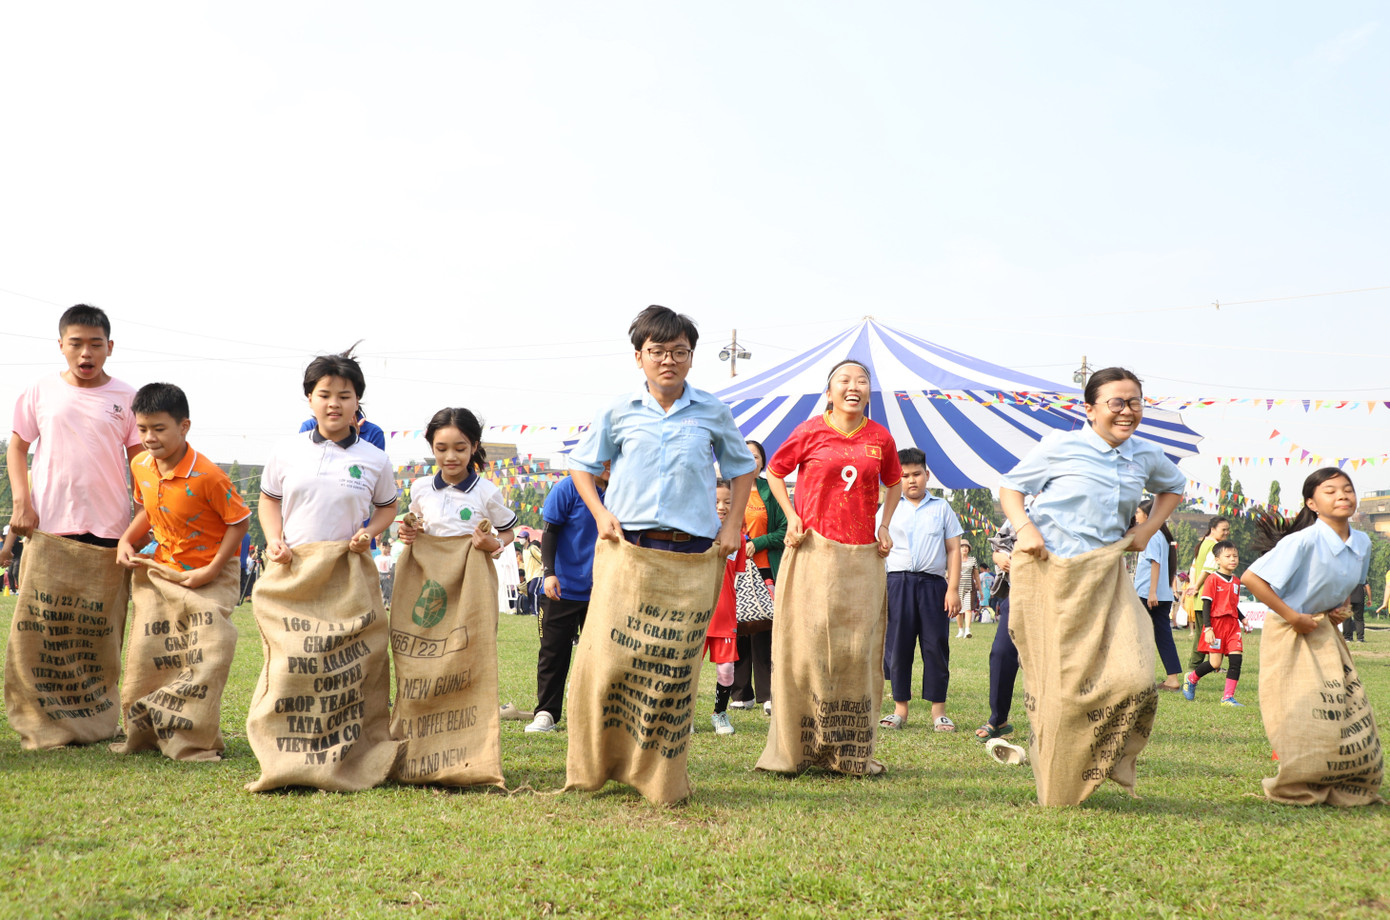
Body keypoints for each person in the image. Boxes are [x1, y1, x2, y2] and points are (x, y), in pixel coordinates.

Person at [568, 304, 756, 559]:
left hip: (695, 546)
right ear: (638, 357)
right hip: (627, 543)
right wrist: (600, 514)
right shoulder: (617, 411)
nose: (668, 360)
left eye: (679, 352)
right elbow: (580, 464)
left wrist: (733, 524)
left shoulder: (714, 411)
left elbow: (743, 467)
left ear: (691, 358)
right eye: (657, 351)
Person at [1242, 468, 1374, 803]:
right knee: (1299, 703)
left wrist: (1340, 606)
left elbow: (1353, 581)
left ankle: (1344, 776)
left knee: (1340, 702)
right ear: (1312, 503)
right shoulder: (1302, 541)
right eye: (1330, 491)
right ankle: (1299, 777)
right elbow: (1252, 579)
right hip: (1290, 629)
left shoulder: (1362, 542)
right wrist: (1293, 617)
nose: (1342, 495)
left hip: (1324, 630)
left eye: (1347, 489)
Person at [7, 304, 142, 548]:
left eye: (96, 344)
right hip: (48, 524)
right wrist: (21, 504)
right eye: (76, 343)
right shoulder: (40, 389)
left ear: (110, 347)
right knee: (43, 589)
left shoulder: (128, 397)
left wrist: (142, 521)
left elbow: (141, 466)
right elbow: (17, 449)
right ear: (61, 345)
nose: (86, 353)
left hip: (110, 528)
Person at [259, 346, 399, 564]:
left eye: (344, 396)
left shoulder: (376, 459)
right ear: (310, 398)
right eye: (324, 395)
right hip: (291, 563)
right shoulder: (285, 450)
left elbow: (388, 506)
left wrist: (369, 532)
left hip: (348, 567)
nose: (334, 403)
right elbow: (269, 498)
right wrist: (274, 539)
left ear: (356, 401)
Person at [116, 383, 251, 586]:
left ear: (184, 426)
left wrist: (211, 571)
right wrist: (125, 540)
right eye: (142, 429)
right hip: (163, 570)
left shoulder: (209, 476)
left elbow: (239, 523)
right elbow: (149, 511)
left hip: (209, 577)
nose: (149, 438)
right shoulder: (139, 465)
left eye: (159, 429)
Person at [877, 447, 963, 732]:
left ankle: (939, 711)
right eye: (904, 476)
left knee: (935, 646)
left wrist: (952, 589)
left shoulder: (942, 508)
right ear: (896, 478)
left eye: (916, 474)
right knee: (898, 647)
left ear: (927, 475)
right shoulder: (887, 510)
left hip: (933, 585)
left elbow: (953, 550)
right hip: (897, 584)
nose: (911, 480)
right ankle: (900, 709)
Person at [525, 462, 610, 733]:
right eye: (606, 460)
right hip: (560, 588)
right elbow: (550, 531)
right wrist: (549, 573)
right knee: (553, 653)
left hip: (603, 589)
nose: (611, 466)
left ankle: (596, 713)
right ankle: (546, 713)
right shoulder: (568, 488)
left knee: (602, 655)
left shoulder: (622, 491)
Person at [396, 407, 515, 556]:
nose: (450, 456)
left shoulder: (487, 492)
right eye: (441, 449)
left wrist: (495, 544)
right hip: (428, 572)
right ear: (432, 448)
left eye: (459, 449)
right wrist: (408, 531)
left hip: (470, 573)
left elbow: (508, 532)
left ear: (474, 447)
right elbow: (417, 522)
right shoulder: (420, 488)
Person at [730, 439, 784, 714]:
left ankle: (767, 695)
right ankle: (741, 693)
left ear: (763, 461)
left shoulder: (771, 490)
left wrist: (759, 542)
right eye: (745, 455)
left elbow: (785, 529)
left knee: (763, 629)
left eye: (755, 456)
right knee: (737, 629)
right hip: (734, 569)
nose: (750, 460)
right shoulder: (728, 489)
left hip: (765, 569)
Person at [1181, 540, 1247, 705]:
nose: (1233, 559)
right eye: (1228, 556)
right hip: (1216, 626)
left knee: (1236, 660)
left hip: (1232, 626)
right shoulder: (1212, 579)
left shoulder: (1237, 582)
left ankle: (1227, 697)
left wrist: (1243, 618)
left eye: (1235, 556)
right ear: (1217, 560)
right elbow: (1206, 605)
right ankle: (1191, 678)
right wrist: (1208, 628)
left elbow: (1232, 605)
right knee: (1214, 663)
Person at [1131, 498, 1184, 691]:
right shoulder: (1161, 535)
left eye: (1137, 512)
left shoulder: (1152, 535)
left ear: (1147, 515)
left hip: (1148, 594)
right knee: (1163, 637)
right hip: (1162, 595)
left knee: (1135, 634)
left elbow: (1155, 564)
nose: (1136, 515)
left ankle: (1137, 677)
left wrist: (1152, 592)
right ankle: (1172, 679)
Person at [976, 516, 1020, 742]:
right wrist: (1000, 557)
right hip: (1020, 593)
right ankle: (998, 718)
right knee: (1002, 653)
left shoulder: (1070, 502)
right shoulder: (1024, 506)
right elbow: (998, 547)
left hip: (1060, 595)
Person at [708, 479, 745, 736]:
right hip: (696, 615)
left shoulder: (739, 539)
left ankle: (719, 714)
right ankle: (683, 714)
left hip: (725, 615)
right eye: (716, 501)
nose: (721, 507)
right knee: (688, 669)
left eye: (728, 502)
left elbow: (738, 577)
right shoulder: (693, 535)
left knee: (727, 670)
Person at [1184, 516, 1231, 670]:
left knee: (1205, 632)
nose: (1226, 532)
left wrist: (1193, 585)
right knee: (1206, 633)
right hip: (1209, 596)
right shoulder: (1214, 546)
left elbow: (1194, 566)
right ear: (1213, 529)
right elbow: (1207, 569)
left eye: (1227, 529)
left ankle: (1212, 665)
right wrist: (1196, 586)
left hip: (1202, 596)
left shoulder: (1203, 543)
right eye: (1223, 529)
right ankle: (1196, 665)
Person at [955, 542, 980, 638]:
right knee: (959, 610)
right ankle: (960, 630)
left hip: (969, 587)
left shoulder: (973, 560)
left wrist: (980, 590)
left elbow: (976, 576)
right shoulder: (955, 559)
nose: (964, 548)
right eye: (962, 546)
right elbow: (949, 573)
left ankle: (967, 630)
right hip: (957, 587)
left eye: (966, 547)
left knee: (968, 609)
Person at [375, 540, 396, 607]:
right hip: (379, 574)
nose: (384, 549)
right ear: (380, 548)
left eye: (386, 547)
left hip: (386, 575)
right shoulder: (377, 558)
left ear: (389, 549)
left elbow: (391, 567)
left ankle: (386, 603)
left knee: (386, 590)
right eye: (383, 547)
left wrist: (390, 574)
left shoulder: (390, 558)